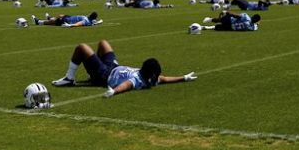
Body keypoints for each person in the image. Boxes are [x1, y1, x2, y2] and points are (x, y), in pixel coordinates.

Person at [50, 39, 196, 97]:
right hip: (114, 66)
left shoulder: (138, 80)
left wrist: (114, 91)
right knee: (103, 43)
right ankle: (92, 70)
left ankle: (70, 78)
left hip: (104, 74)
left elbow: (126, 85)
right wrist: (183, 77)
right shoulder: (149, 78)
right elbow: (164, 78)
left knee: (81, 48)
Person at [32, 12, 100, 27]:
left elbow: (79, 24)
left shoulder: (86, 20)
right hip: (70, 17)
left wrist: (70, 25)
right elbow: (92, 23)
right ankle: (50, 18)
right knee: (61, 15)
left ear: (90, 15)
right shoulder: (90, 21)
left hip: (68, 21)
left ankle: (38, 22)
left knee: (54, 22)